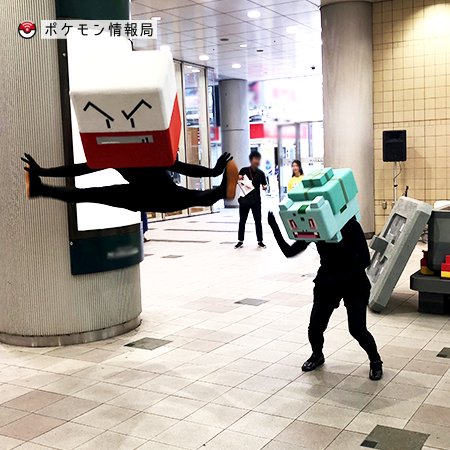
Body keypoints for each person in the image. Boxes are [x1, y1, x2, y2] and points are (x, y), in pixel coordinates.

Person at [267, 211, 383, 381]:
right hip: (328, 282)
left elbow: (365, 260)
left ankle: (375, 361)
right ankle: (317, 355)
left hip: (354, 282)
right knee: (315, 326)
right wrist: (274, 227)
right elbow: (289, 252)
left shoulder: (350, 224)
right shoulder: (316, 226)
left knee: (357, 329)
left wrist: (345, 275)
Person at [22, 152, 238, 213]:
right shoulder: (151, 148)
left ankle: (40, 189)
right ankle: (221, 192)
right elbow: (182, 167)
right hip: (163, 193)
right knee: (192, 197)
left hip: (137, 197)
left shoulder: (116, 153)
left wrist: (44, 171)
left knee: (88, 194)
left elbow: (79, 169)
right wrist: (212, 172)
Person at [235, 151, 268, 249]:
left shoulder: (261, 173)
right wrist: (238, 177)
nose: (257, 161)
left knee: (258, 221)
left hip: (256, 201)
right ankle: (240, 240)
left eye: (258, 159)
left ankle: (260, 241)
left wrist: (265, 187)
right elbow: (237, 180)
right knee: (242, 220)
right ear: (251, 160)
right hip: (245, 200)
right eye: (255, 159)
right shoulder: (244, 170)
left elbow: (264, 185)